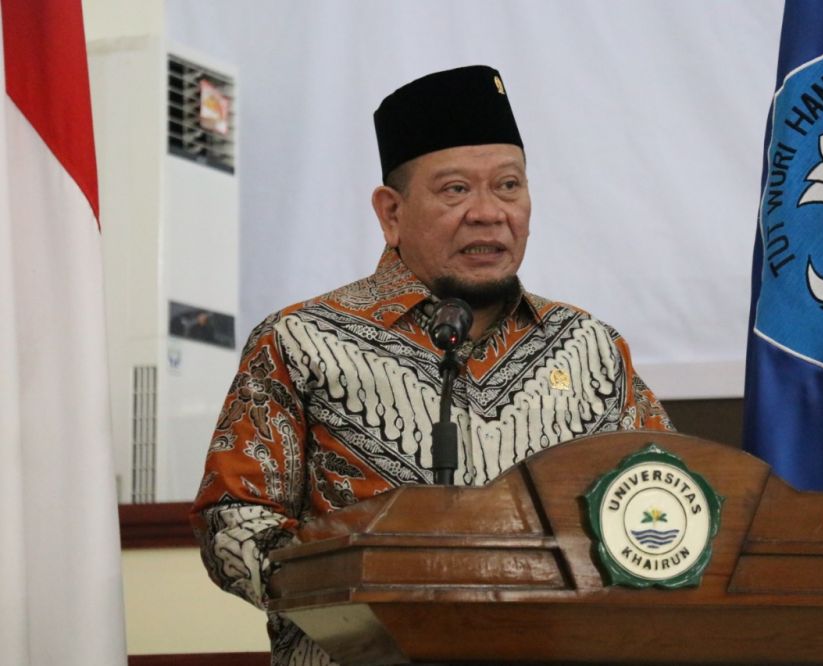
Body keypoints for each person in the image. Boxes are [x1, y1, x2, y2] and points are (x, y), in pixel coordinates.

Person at [190, 65, 674, 665]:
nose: (489, 212)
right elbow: (233, 522)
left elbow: (666, 498)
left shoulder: (590, 347)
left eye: (508, 186)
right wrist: (363, 589)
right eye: (455, 190)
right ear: (391, 213)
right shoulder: (302, 341)